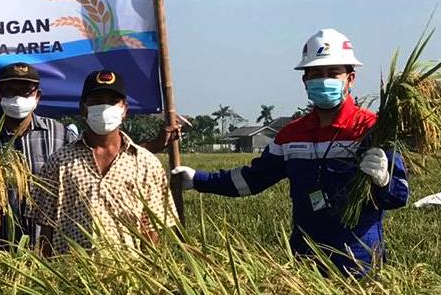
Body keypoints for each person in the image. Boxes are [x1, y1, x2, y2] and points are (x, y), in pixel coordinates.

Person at [172, 29, 408, 276]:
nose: (323, 79)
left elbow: (398, 197)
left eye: (332, 73)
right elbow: (251, 180)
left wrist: (384, 181)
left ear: (350, 78)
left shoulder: (371, 129)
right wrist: (198, 180)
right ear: (304, 80)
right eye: (316, 74)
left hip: (360, 263)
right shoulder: (291, 135)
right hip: (307, 262)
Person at [32, 70, 177, 256]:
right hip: (71, 275)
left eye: (112, 102)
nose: (104, 107)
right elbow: (46, 229)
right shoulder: (59, 162)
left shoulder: (147, 163)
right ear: (83, 108)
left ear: (124, 109)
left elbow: (151, 230)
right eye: (96, 101)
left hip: (129, 276)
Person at [0, 62, 70, 247]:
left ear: (38, 95)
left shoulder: (60, 135)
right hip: (3, 248)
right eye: (10, 90)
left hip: (50, 247)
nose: (18, 97)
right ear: (0, 95)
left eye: (26, 91)